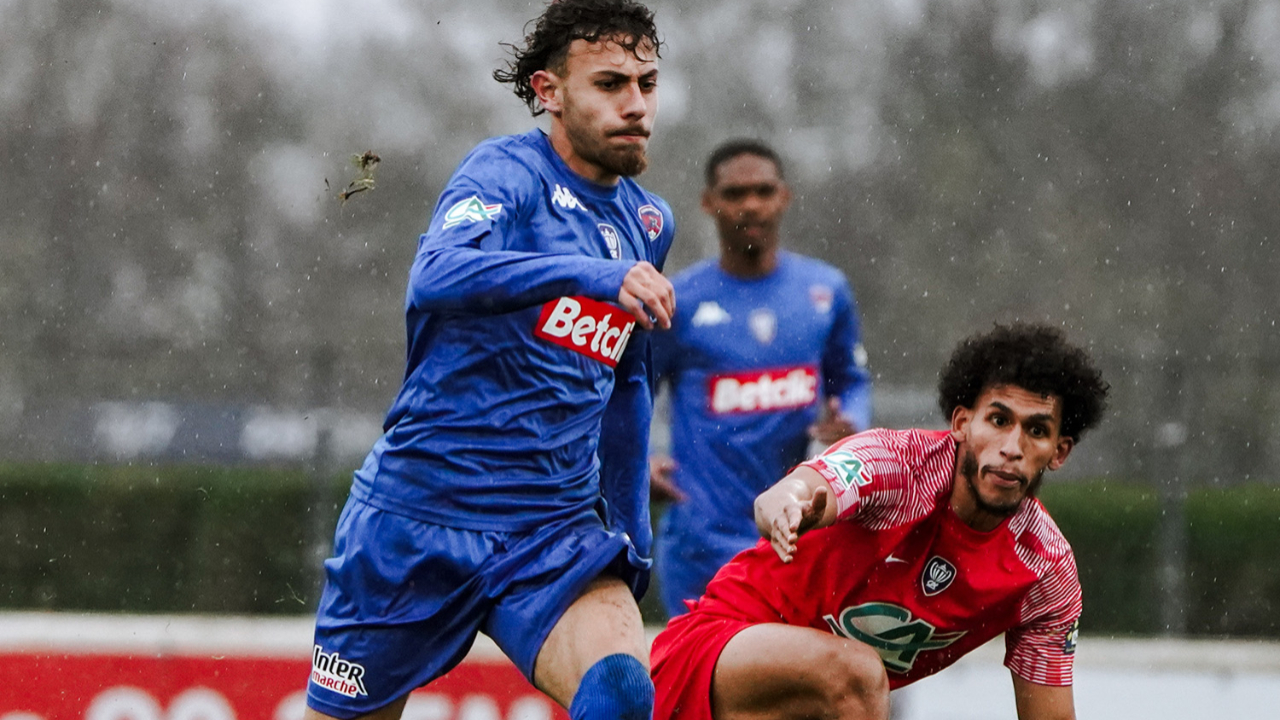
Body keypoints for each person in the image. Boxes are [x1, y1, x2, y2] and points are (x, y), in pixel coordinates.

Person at [304, 2, 676, 719]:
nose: (636, 105)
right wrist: (591, 275)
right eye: (609, 84)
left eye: (647, 83)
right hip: (417, 518)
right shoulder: (505, 173)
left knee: (621, 693)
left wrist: (632, 531)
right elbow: (437, 274)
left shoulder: (648, 221)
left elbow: (629, 382)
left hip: (552, 529)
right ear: (549, 91)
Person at [652, 322, 1110, 720]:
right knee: (858, 674)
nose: (1012, 447)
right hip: (709, 658)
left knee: (856, 681)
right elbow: (805, 487)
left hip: (820, 708)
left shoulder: (1047, 574)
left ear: (1059, 452)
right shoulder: (900, 465)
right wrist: (786, 502)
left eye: (1036, 430)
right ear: (961, 423)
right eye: (998, 419)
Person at [649, 139, 872, 618]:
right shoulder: (679, 301)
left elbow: (851, 381)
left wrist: (851, 423)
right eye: (735, 193)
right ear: (709, 202)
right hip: (701, 545)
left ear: (784, 197)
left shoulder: (824, 292)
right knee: (703, 667)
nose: (750, 204)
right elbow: (630, 391)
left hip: (796, 537)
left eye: (763, 191)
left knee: (798, 665)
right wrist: (639, 460)